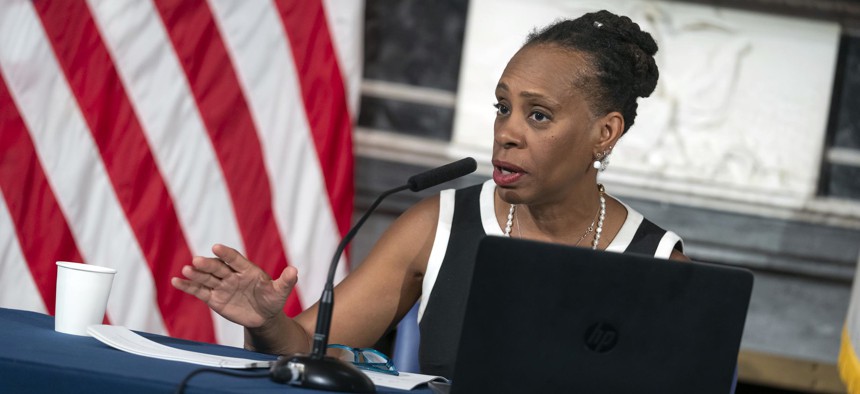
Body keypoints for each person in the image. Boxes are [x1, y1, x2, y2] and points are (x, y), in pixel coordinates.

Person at [171, 9, 688, 380]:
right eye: (502, 107)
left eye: (538, 115)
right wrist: (267, 322)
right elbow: (310, 350)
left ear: (606, 132)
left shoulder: (657, 260)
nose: (507, 132)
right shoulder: (437, 224)